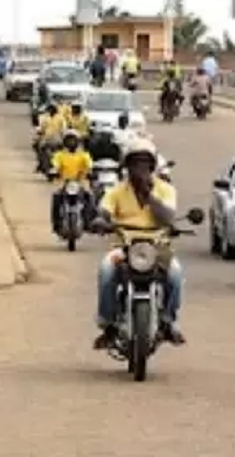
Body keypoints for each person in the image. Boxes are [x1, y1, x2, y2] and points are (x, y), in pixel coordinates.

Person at [91, 137, 185, 348]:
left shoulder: (165, 190)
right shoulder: (116, 191)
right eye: (135, 163)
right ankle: (108, 324)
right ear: (127, 166)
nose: (140, 168)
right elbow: (105, 211)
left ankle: (169, 322)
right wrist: (101, 221)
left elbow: (167, 218)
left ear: (152, 166)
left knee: (175, 274)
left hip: (158, 247)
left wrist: (149, 196)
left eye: (144, 163)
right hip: (123, 247)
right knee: (106, 270)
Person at [49, 130, 93, 232]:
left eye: (73, 140)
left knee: (90, 198)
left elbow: (89, 165)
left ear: (78, 142)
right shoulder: (60, 155)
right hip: (64, 184)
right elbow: (55, 165)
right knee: (56, 199)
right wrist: (53, 172)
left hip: (80, 183)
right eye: (69, 140)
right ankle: (56, 224)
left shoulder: (84, 155)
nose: (71, 143)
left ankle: (88, 222)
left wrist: (91, 172)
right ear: (65, 142)